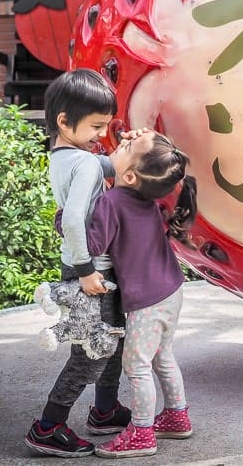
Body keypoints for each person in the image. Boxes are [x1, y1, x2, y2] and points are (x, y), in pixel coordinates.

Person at [24, 69, 131, 458]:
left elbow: (111, 166)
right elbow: (71, 218)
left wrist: (124, 149)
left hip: (89, 264)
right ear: (65, 122)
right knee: (90, 352)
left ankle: (105, 411)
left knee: (112, 338)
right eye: (96, 127)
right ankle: (48, 426)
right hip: (91, 269)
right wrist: (87, 271)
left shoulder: (64, 156)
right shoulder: (83, 164)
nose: (101, 136)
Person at [85, 129, 197, 459]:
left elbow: (94, 246)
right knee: (163, 357)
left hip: (147, 302)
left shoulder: (113, 201)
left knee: (136, 366)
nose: (120, 143)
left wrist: (66, 220)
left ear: (131, 174)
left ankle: (142, 432)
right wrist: (140, 140)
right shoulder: (147, 197)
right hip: (171, 291)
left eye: (127, 145)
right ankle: (177, 416)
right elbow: (155, 156)